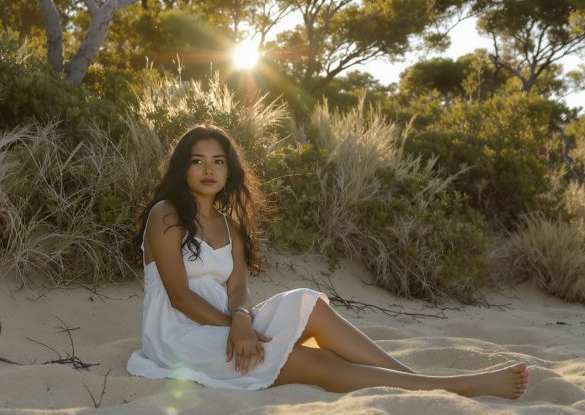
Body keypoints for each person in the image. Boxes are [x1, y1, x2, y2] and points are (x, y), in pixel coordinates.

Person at [126, 125, 530, 398]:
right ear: (184, 167)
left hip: (228, 323)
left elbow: (238, 288)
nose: (209, 169)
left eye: (218, 160)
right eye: (198, 160)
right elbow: (179, 296)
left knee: (311, 303)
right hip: (179, 335)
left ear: (228, 169)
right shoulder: (167, 213)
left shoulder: (229, 226)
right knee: (314, 359)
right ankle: (447, 388)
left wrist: (243, 320)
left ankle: (420, 383)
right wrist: (237, 329)